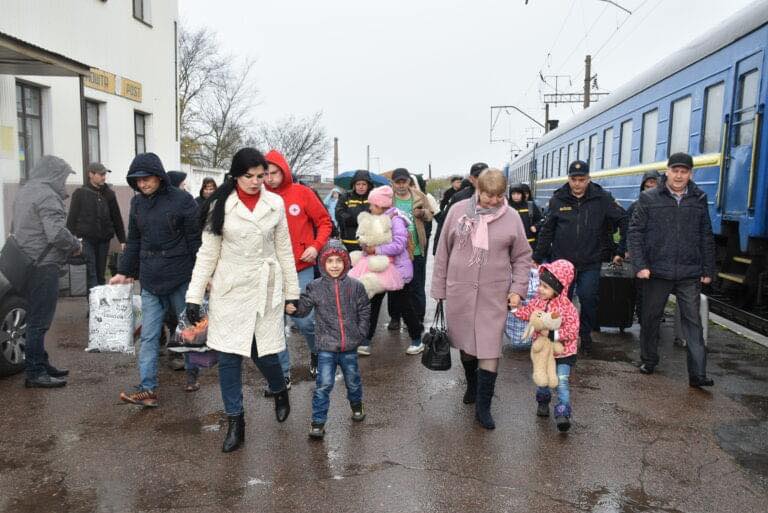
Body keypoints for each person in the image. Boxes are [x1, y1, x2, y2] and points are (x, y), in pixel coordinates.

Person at [185, 147, 300, 453]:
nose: (254, 182)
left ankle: (279, 389)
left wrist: (292, 292)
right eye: (248, 176)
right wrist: (194, 296)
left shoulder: (275, 203)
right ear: (236, 175)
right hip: (230, 289)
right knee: (228, 357)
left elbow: (284, 251)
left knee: (264, 352)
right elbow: (207, 253)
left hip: (265, 286)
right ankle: (236, 422)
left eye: (260, 176)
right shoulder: (219, 205)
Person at [431, 168, 532, 430]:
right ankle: (472, 385)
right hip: (460, 290)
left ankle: (483, 407)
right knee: (465, 345)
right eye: (489, 195)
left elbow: (522, 256)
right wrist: (439, 290)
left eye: (499, 195)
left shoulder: (511, 217)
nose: (494, 201)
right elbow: (443, 251)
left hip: (494, 293)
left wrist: (517, 289)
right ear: (478, 190)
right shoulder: (458, 211)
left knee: (489, 346)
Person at [111, 152, 201, 407]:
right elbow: (134, 240)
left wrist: (201, 276)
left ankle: (192, 374)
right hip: (150, 278)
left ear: (159, 176)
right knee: (149, 336)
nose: (143, 184)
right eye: (137, 180)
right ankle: (147, 388)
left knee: (188, 331)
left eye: (147, 178)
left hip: (180, 275)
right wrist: (124, 272)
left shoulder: (183, 200)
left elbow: (196, 241)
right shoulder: (137, 204)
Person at [628, 153, 715, 387]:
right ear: (667, 172)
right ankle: (648, 360)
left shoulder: (699, 198)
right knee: (651, 318)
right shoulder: (649, 198)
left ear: (690, 174)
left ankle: (698, 374)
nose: (679, 175)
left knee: (693, 322)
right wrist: (641, 265)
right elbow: (635, 233)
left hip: (688, 271)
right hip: (657, 271)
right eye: (675, 170)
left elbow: (705, 235)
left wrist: (708, 268)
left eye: (684, 171)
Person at [533, 160, 628, 354]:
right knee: (560, 302)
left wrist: (620, 249)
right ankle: (561, 337)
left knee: (588, 299)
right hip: (562, 264)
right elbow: (547, 230)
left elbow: (623, 219)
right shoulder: (558, 199)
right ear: (568, 179)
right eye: (573, 179)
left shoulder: (602, 198)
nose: (577, 184)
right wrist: (538, 256)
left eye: (581, 179)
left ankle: (585, 336)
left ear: (588, 179)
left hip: (590, 261)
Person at [286, 241, 370, 439]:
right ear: (323, 264)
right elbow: (304, 308)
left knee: (353, 380)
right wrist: (294, 308)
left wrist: (360, 332)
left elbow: (365, 309)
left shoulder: (355, 286)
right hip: (325, 347)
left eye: (339, 261)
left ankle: (357, 405)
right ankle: (318, 422)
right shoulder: (315, 287)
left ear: (346, 263)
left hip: (349, 346)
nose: (334, 265)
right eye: (330, 261)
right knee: (323, 385)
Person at [12, 156, 82, 388]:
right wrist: (75, 244)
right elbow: (56, 233)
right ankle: (34, 371)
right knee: (39, 321)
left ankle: (41, 363)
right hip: (43, 265)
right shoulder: (47, 195)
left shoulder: (26, 190)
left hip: (26, 261)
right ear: (54, 175)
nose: (64, 181)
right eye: (63, 176)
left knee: (34, 316)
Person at [264, 149, 333, 382]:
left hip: (299, 267)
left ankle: (316, 353)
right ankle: (283, 375)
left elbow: (324, 221)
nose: (270, 178)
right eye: (266, 173)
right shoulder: (260, 197)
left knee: (304, 320)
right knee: (274, 325)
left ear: (284, 171)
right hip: (270, 270)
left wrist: (315, 245)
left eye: (274, 172)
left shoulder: (302, 193)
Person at [356, 186, 424, 356]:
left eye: (373, 204)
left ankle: (417, 339)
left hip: (398, 270)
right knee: (372, 304)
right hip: (381, 269)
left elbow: (399, 245)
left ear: (381, 205)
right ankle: (365, 341)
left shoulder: (396, 220)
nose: (370, 208)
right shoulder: (378, 219)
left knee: (404, 305)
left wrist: (375, 250)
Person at [513, 260, 579, 432]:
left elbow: (572, 330)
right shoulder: (537, 302)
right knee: (542, 379)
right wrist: (514, 308)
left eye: (545, 286)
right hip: (543, 352)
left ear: (557, 288)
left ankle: (563, 412)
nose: (539, 289)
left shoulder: (567, 308)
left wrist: (553, 335)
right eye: (540, 285)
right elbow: (527, 314)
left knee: (561, 382)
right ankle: (543, 401)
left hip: (564, 353)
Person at [386, 168, 434, 329]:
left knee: (417, 286)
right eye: (397, 182)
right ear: (393, 183)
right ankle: (395, 318)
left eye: (403, 181)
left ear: (408, 182)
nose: (401, 185)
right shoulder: (387, 197)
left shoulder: (420, 196)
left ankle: (418, 317)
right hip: (395, 250)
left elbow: (430, 214)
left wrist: (422, 213)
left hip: (416, 248)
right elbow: (378, 215)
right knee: (394, 286)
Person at [66, 162, 126, 291]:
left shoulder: (109, 194)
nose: (104, 177)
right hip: (86, 240)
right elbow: (72, 218)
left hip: (104, 240)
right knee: (91, 273)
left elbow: (116, 217)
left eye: (105, 174)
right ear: (91, 174)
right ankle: (93, 308)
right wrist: (70, 241)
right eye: (101, 174)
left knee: (100, 274)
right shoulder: (80, 193)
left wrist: (122, 240)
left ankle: (100, 307)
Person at [432, 162, 489, 255]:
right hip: (464, 247)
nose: (481, 179)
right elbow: (445, 222)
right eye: (477, 176)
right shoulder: (458, 197)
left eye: (484, 175)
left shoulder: (498, 197)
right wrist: (437, 249)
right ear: (471, 179)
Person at [626, 170, 660, 321]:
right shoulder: (635, 207)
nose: (650, 189)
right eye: (647, 187)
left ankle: (653, 320)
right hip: (641, 256)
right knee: (641, 291)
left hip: (659, 256)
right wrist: (625, 250)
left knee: (657, 292)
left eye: (654, 186)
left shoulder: (666, 207)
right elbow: (628, 231)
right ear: (643, 188)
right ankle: (643, 319)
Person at [336, 170, 374, 252]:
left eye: (364, 184)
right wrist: (355, 220)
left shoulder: (373, 198)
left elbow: (378, 214)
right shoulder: (346, 197)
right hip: (348, 242)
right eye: (358, 184)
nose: (361, 187)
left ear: (368, 185)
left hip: (369, 243)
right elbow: (339, 213)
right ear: (354, 185)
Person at [508, 182, 543, 250]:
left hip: (530, 244)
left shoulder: (530, 206)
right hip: (513, 246)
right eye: (513, 194)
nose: (516, 196)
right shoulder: (507, 208)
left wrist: (536, 226)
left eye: (518, 194)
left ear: (522, 194)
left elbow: (542, 220)